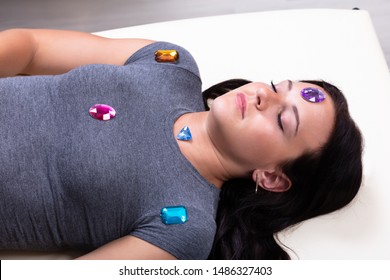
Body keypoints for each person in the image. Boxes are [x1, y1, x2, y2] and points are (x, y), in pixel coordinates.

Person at [0, 28, 363, 260]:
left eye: (282, 120)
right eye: (273, 87)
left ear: (272, 177)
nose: (259, 97)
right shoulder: (171, 62)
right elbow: (31, 47)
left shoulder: (184, 226)